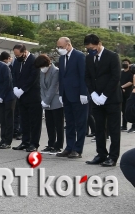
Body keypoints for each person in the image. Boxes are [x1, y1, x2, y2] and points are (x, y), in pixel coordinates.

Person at [84, 33, 122, 167]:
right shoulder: (89, 58)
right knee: (99, 128)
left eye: (93, 48)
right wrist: (93, 93)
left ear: (99, 44)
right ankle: (101, 154)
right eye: (88, 48)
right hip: (96, 99)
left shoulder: (112, 56)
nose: (91, 50)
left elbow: (115, 77)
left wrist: (104, 95)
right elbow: (87, 77)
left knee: (113, 129)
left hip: (111, 99)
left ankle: (113, 157)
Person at [55, 37, 89, 159]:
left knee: (80, 123)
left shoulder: (79, 56)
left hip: (78, 95)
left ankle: (77, 149)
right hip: (66, 95)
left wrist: (84, 92)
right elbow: (61, 77)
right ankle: (69, 147)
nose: (59, 49)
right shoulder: (62, 58)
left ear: (68, 45)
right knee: (69, 123)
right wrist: (60, 94)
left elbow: (83, 75)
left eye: (61, 47)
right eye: (58, 47)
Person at [11, 44, 41, 152]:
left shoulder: (34, 60)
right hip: (20, 95)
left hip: (32, 95)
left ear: (24, 52)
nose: (17, 57)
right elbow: (13, 74)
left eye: (19, 55)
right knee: (24, 121)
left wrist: (23, 89)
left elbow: (33, 77)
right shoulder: (16, 61)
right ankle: (25, 141)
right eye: (15, 55)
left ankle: (34, 143)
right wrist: (15, 87)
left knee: (34, 121)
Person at [35, 54, 64, 153]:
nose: (41, 69)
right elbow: (42, 87)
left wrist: (46, 101)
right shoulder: (42, 72)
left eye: (42, 66)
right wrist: (43, 100)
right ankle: (51, 144)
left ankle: (59, 145)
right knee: (49, 124)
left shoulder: (56, 71)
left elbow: (53, 88)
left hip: (56, 101)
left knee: (58, 124)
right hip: (46, 102)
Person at [0, 51, 15, 149]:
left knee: (8, 119)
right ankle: (3, 139)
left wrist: (1, 95)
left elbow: (7, 81)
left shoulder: (3, 66)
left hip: (8, 96)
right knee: (2, 119)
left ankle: (8, 141)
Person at [120, 58, 133, 131]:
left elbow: (131, 82)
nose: (124, 63)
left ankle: (132, 125)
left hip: (129, 93)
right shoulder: (121, 73)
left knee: (129, 109)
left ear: (129, 64)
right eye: (123, 62)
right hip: (122, 93)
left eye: (126, 62)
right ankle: (124, 126)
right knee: (123, 110)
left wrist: (122, 87)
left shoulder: (131, 73)